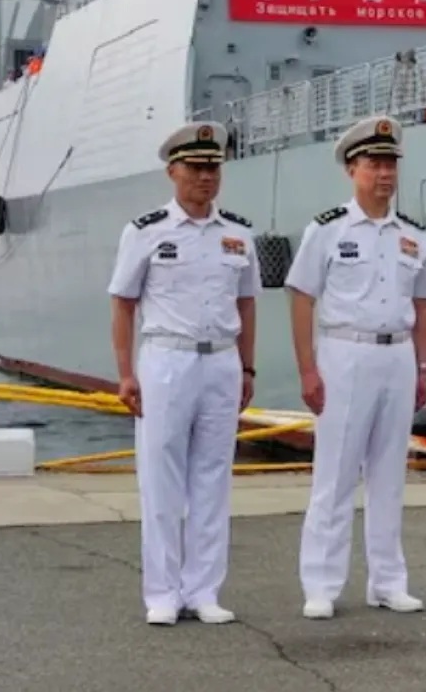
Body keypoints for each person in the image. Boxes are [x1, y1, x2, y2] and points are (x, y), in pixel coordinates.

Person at [106, 121, 260, 627]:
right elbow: (124, 304)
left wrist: (247, 366)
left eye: (213, 168)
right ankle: (162, 592)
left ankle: (204, 590)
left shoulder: (238, 233)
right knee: (161, 478)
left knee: (213, 478)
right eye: (195, 168)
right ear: (172, 171)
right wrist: (126, 374)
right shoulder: (146, 231)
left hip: (220, 358)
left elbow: (247, 303)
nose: (206, 178)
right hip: (166, 360)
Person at [286, 114, 426, 621]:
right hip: (344, 353)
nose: (386, 173)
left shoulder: (413, 235)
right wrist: (308, 369)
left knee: (389, 473)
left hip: (396, 354)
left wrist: (424, 368)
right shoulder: (327, 229)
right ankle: (322, 583)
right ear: (352, 169)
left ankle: (388, 581)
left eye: (391, 162)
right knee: (335, 473)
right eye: (375, 163)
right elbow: (302, 296)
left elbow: (423, 305)